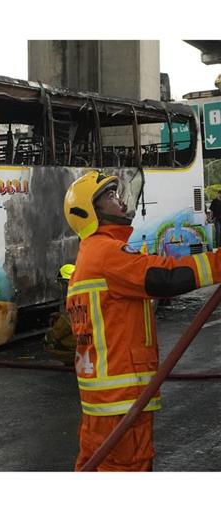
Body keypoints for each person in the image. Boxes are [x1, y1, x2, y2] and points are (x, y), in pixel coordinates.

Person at [63, 171, 221, 471]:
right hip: (121, 401)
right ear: (90, 212)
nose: (120, 200)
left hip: (102, 402)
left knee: (96, 468)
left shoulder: (90, 255)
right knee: (130, 468)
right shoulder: (106, 252)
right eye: (109, 196)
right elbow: (166, 278)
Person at [43, 264, 76, 364]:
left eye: (62, 283)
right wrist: (59, 315)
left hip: (82, 343)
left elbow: (68, 321)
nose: (62, 287)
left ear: (67, 283)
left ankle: (73, 358)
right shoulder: (80, 294)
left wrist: (50, 337)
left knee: (51, 345)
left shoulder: (74, 298)